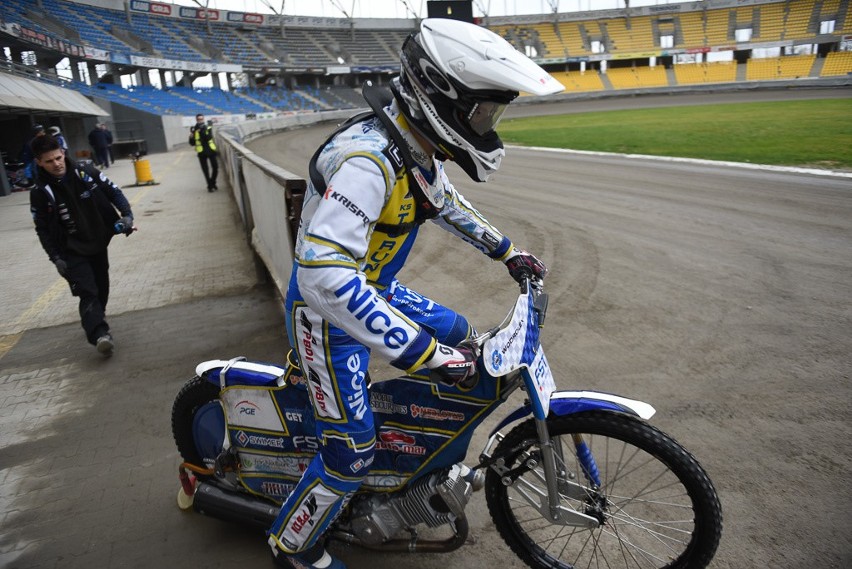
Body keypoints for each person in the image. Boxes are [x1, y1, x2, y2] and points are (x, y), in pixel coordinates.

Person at [268, 19, 562, 569]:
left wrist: (508, 253)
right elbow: (324, 277)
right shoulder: (367, 162)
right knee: (349, 454)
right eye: (482, 112)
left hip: (373, 288)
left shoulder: (414, 146)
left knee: (457, 332)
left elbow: (447, 203)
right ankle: (295, 547)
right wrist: (425, 356)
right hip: (325, 317)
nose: (487, 126)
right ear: (439, 96)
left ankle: (414, 458)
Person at [29, 135, 135, 356]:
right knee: (88, 291)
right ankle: (99, 335)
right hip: (70, 251)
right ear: (39, 162)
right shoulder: (39, 192)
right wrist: (55, 258)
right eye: (49, 161)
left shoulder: (86, 172)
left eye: (58, 157)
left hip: (98, 242)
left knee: (101, 286)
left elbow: (114, 192)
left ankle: (96, 316)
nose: (56, 164)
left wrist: (127, 216)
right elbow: (42, 229)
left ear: (63, 153)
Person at [188, 113, 218, 191]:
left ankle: (213, 182)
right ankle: (209, 186)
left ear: (203, 119)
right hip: (201, 152)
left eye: (201, 119)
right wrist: (191, 136)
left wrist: (203, 130)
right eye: (199, 119)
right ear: (196, 120)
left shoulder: (207, 127)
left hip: (210, 149)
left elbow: (209, 137)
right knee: (205, 170)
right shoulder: (194, 129)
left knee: (216, 167)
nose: (200, 121)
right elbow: (192, 143)